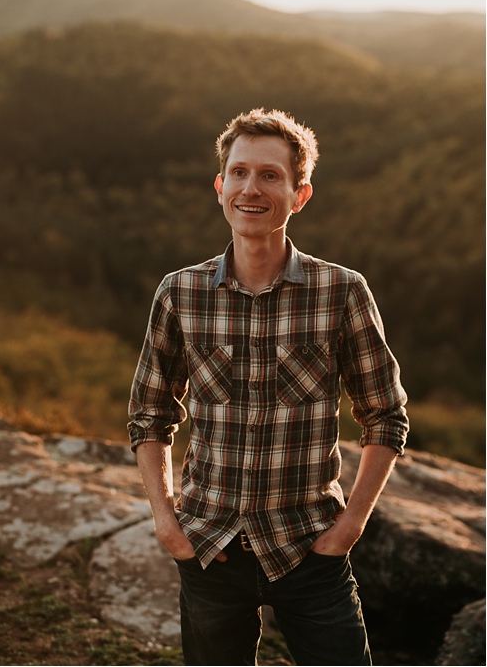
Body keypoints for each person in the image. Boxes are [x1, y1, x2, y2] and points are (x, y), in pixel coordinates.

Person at [128, 109, 408, 666]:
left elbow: (386, 415)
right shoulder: (179, 293)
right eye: (238, 173)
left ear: (300, 194)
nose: (250, 188)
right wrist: (166, 522)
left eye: (270, 176)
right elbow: (149, 415)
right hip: (209, 548)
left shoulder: (341, 291)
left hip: (310, 548)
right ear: (220, 186)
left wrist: (350, 526)